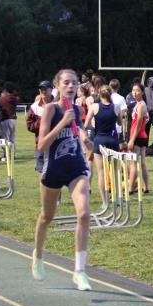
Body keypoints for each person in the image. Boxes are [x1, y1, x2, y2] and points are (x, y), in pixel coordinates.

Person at [32, 69, 94, 292]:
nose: (71, 86)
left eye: (74, 83)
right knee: (46, 216)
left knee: (84, 214)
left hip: (76, 167)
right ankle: (38, 255)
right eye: (66, 82)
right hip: (53, 169)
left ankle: (80, 271)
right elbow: (41, 145)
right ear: (57, 86)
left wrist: (85, 139)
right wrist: (62, 123)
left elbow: (78, 131)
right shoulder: (51, 109)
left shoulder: (77, 109)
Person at [85, 85, 119, 207]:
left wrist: (95, 126)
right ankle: (117, 198)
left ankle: (105, 202)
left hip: (99, 139)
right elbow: (120, 122)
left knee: (101, 173)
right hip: (113, 140)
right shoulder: (116, 107)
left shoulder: (94, 106)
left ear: (99, 94)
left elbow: (86, 124)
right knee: (114, 171)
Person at [125, 81, 150, 194]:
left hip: (138, 136)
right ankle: (146, 187)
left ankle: (130, 188)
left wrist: (132, 139)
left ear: (142, 92)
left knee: (133, 163)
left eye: (137, 90)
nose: (134, 93)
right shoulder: (139, 104)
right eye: (133, 90)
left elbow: (139, 123)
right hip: (142, 135)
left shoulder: (141, 105)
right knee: (142, 162)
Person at [0, 82, 19, 149]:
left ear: (5, 90)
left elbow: (0, 108)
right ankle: (12, 153)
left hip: (5, 119)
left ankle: (6, 153)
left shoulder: (2, 99)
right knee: (12, 138)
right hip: (13, 119)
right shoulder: (15, 98)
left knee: (5, 138)